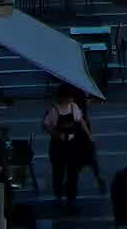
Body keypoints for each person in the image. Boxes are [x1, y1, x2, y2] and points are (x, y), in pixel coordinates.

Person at [43, 85, 95, 214]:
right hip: (58, 146)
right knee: (58, 173)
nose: (71, 99)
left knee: (73, 174)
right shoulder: (54, 110)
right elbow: (46, 125)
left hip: (72, 145)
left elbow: (81, 121)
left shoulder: (74, 107)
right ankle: (59, 198)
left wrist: (89, 136)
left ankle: (71, 200)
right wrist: (57, 134)